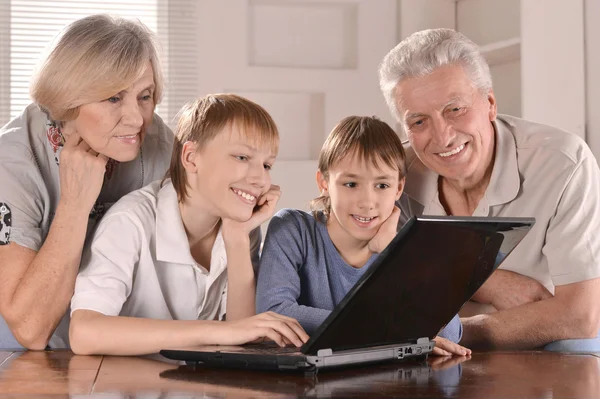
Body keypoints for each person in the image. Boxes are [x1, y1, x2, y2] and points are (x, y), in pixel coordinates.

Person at [378, 28, 600, 351]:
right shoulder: (396, 174)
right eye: (419, 122)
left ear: (490, 104)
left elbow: (580, 315)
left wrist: (458, 333)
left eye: (455, 109)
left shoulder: (564, 163)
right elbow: (371, 269)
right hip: (440, 353)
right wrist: (486, 283)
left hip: (553, 349)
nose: (442, 137)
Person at [69, 94, 308, 356]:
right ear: (192, 157)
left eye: (266, 164)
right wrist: (215, 332)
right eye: (242, 157)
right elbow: (84, 333)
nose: (260, 178)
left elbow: (244, 338)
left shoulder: (240, 228)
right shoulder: (131, 221)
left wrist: (237, 237)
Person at [0, 14, 181, 349]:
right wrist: (74, 204)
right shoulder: (11, 162)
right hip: (22, 352)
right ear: (69, 97)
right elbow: (30, 330)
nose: (137, 118)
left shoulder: (162, 146)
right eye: (113, 98)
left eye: (146, 95)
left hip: (117, 341)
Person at [256, 116, 470, 356]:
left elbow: (450, 333)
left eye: (382, 186)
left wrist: (395, 255)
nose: (367, 203)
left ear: (398, 188)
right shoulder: (294, 229)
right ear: (324, 183)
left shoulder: (408, 248)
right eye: (350, 184)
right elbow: (274, 311)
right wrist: (389, 333)